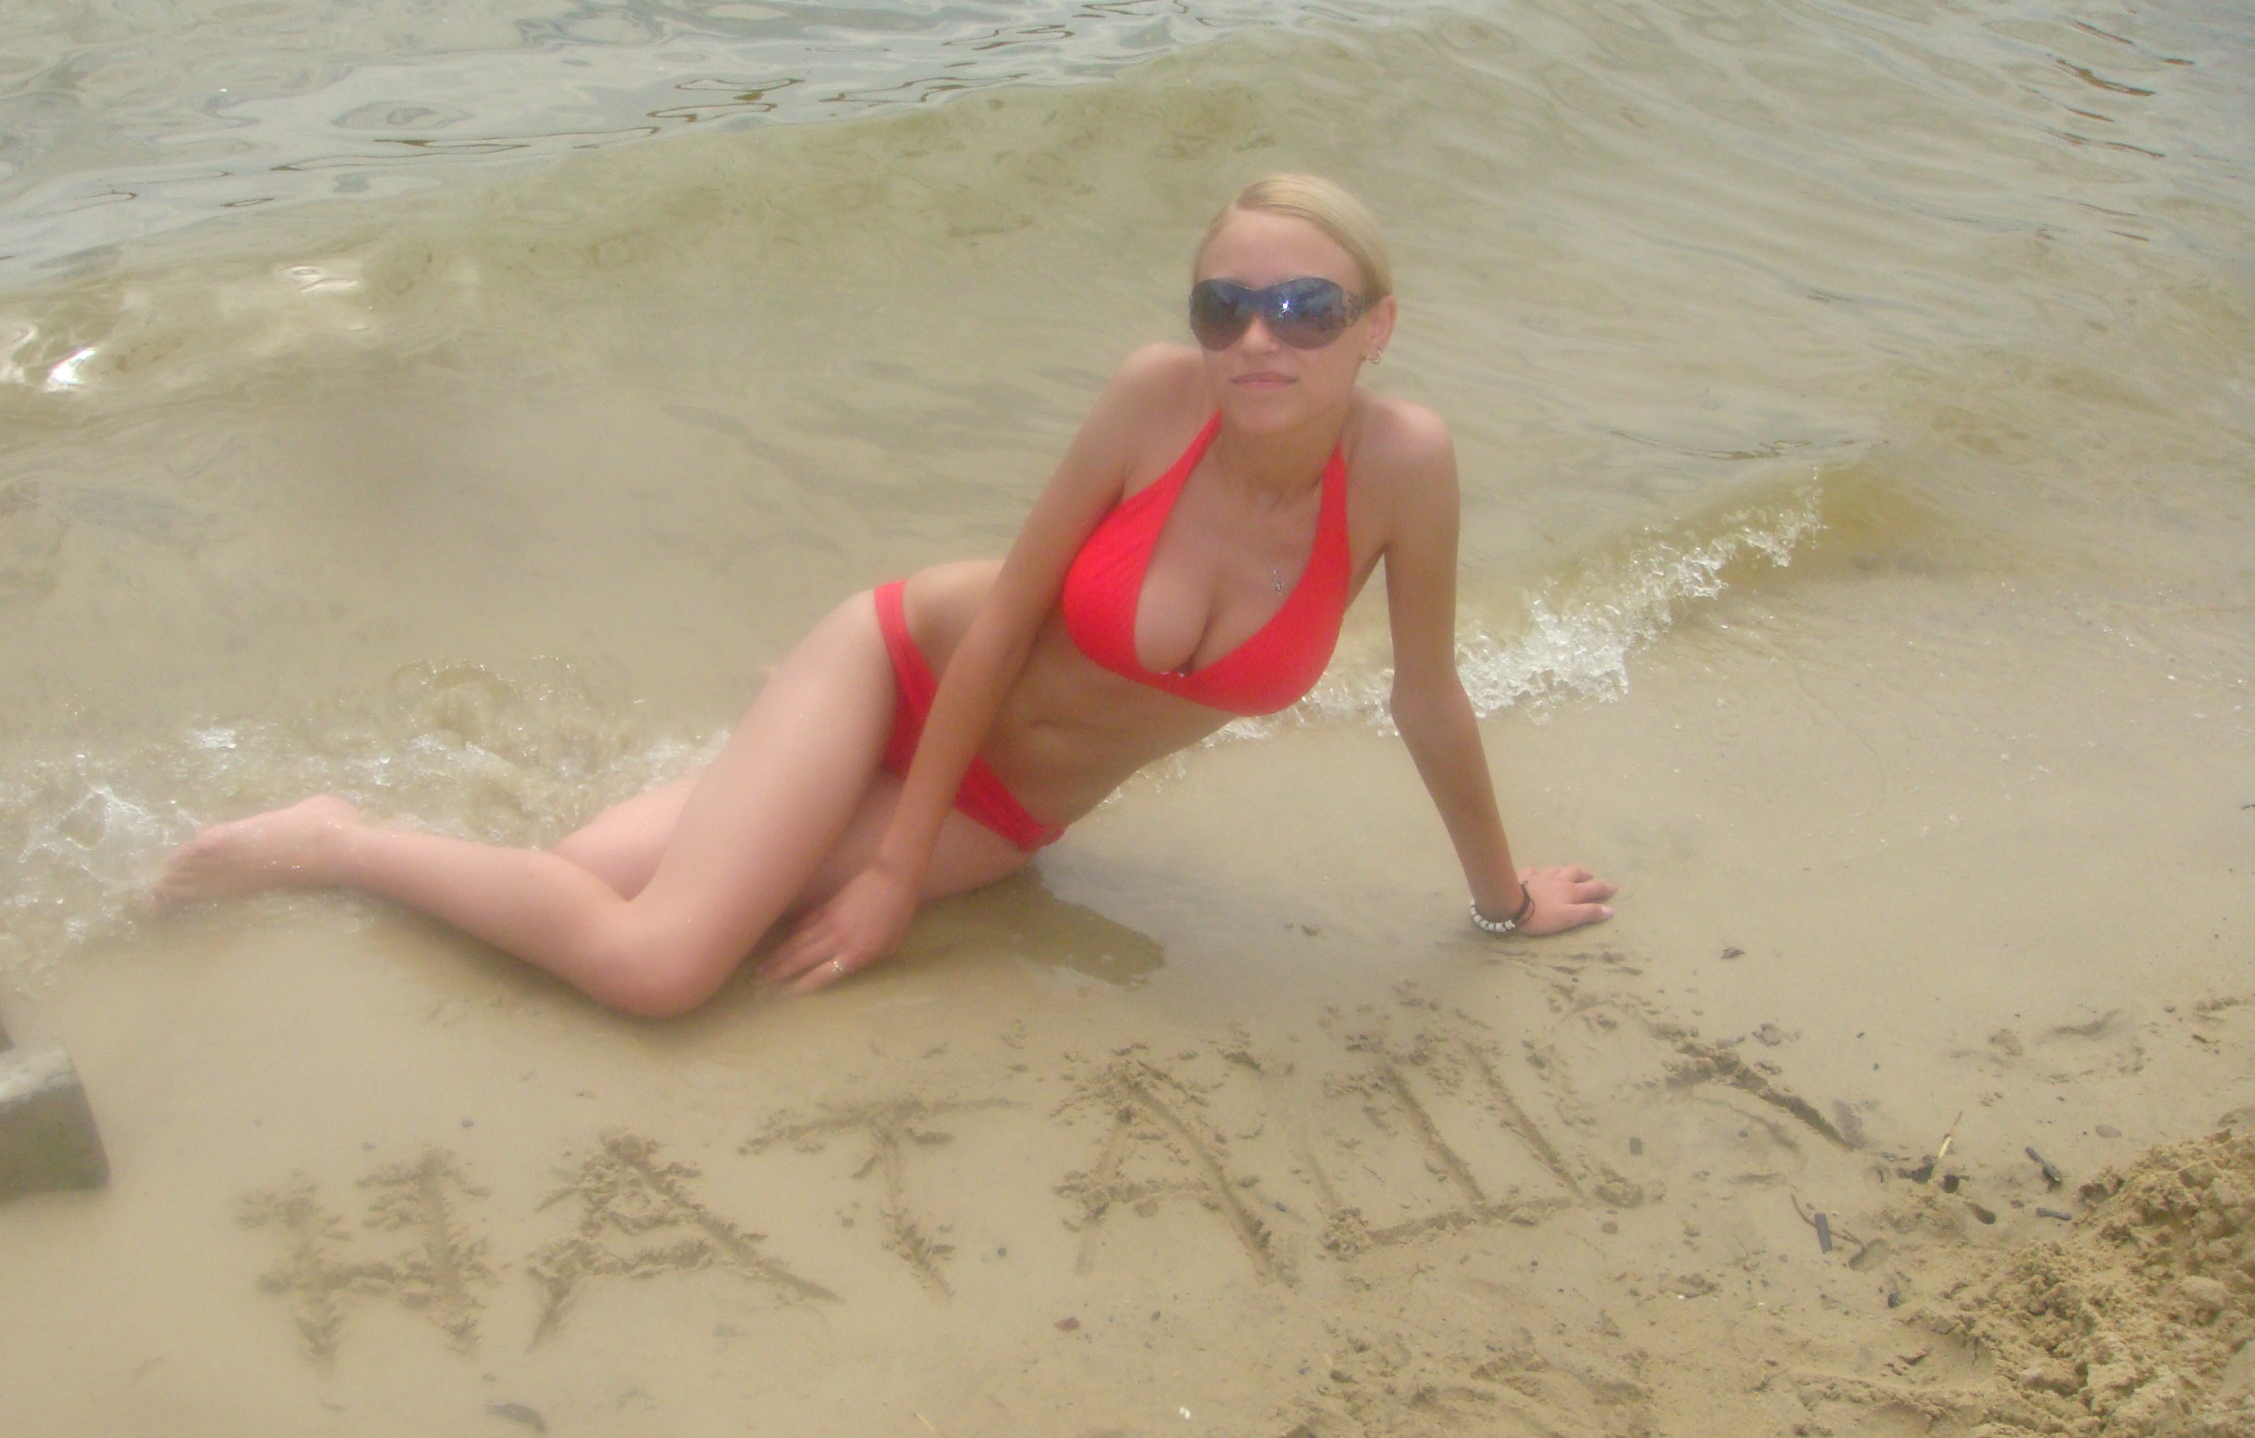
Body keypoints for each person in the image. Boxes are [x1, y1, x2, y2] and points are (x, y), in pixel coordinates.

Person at [157, 173, 1615, 1015]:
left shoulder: (1405, 468)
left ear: (1377, 327)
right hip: (904, 674)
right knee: (655, 962)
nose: (1257, 340)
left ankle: (747, 782)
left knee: (608, 895)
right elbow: (1002, 628)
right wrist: (892, 877)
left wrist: (1500, 903)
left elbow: (1428, 696)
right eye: (1223, 306)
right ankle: (337, 840)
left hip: (1010, 806)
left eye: (1304, 309)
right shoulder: (1153, 401)